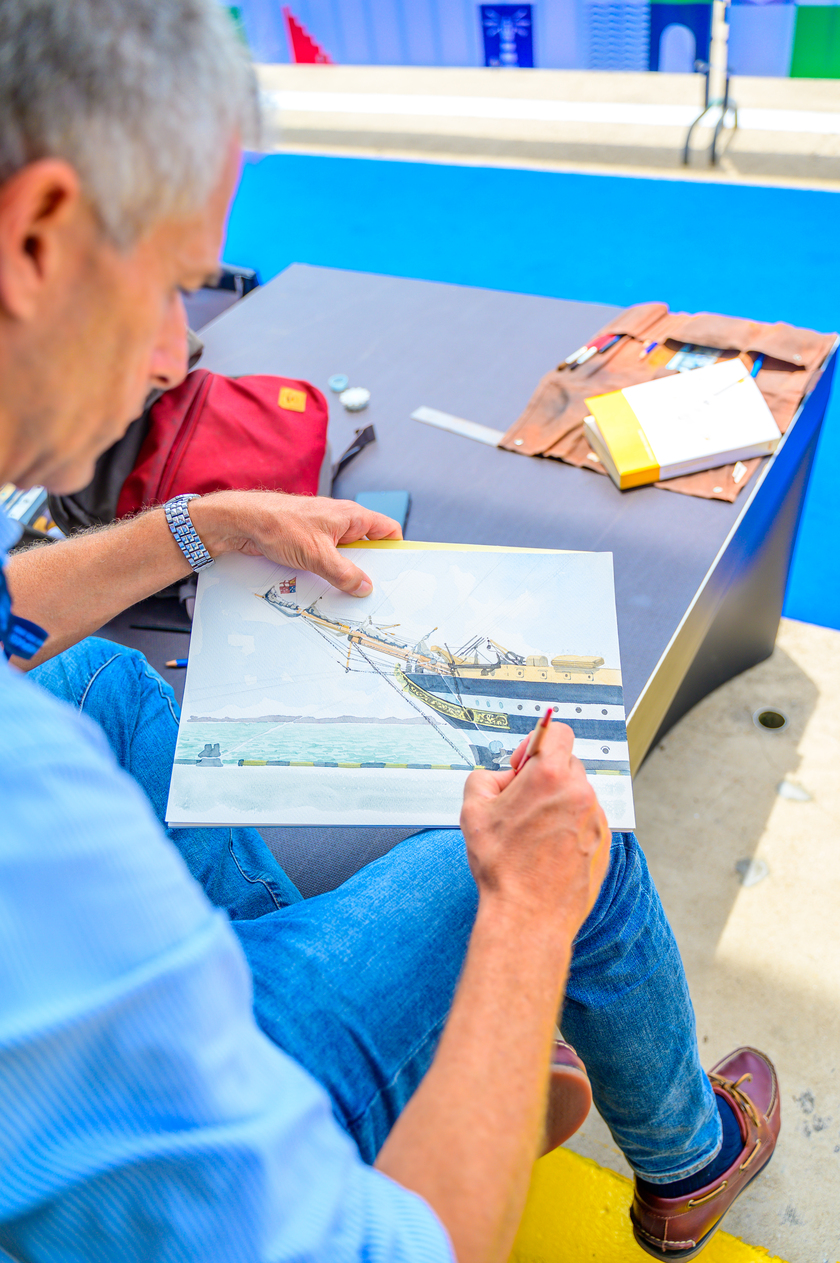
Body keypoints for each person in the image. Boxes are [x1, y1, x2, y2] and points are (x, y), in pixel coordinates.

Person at [0, 3, 779, 1261]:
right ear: (37, 236)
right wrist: (525, 914)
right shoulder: (35, 829)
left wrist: (189, 527)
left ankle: (390, 1022)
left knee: (99, 677)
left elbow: (7, 613)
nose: (173, 355)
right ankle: (688, 1159)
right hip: (206, 1131)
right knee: (567, 832)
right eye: (175, 286)